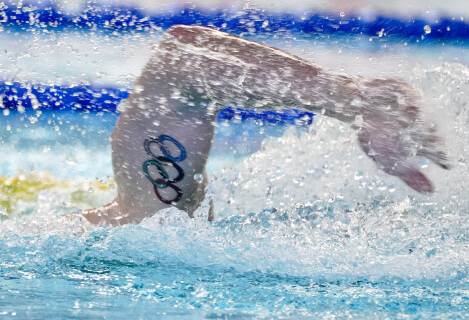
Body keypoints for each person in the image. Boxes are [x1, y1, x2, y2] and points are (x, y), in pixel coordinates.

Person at [82, 25, 449, 226]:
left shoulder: (138, 220)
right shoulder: (146, 219)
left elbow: (178, 55)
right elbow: (177, 56)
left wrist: (351, 100)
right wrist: (350, 98)